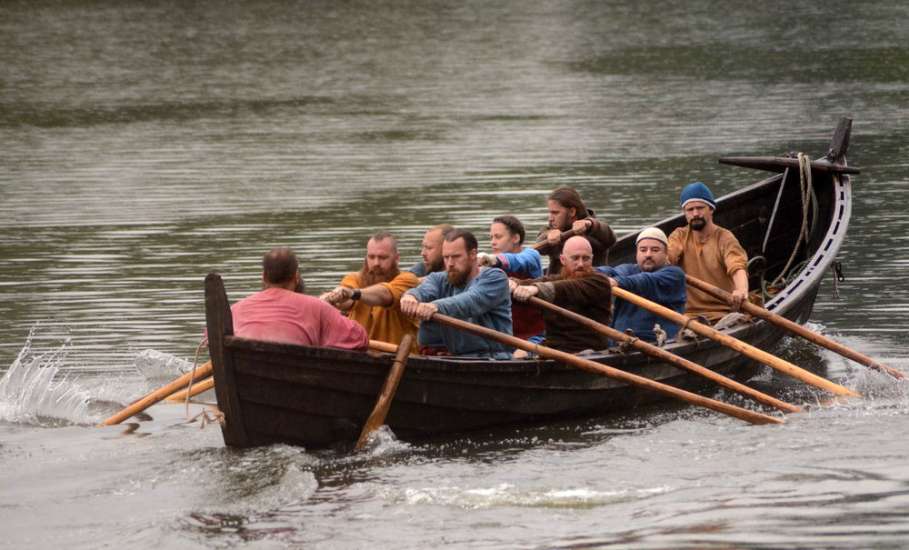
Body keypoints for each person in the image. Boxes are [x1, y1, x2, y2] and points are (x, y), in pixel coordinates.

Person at [400, 229, 513, 357]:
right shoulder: (437, 279)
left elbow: (470, 301)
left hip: (492, 358)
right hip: (453, 357)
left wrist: (436, 306)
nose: (450, 264)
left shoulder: (495, 278)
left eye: (456, 257)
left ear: (472, 254)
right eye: (446, 257)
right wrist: (410, 296)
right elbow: (423, 291)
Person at [229, 247, 368, 350]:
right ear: (296, 277)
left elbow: (212, 339)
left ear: (263, 277)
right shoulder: (318, 307)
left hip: (248, 372)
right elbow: (360, 339)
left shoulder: (234, 310)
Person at [512, 236, 612, 353]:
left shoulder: (600, 282)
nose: (580, 264)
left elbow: (567, 288)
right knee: (520, 353)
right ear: (563, 260)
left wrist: (536, 289)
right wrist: (513, 283)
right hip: (554, 349)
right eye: (575, 258)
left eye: (586, 258)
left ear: (592, 259)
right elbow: (535, 282)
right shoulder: (557, 279)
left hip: (589, 351)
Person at [321, 231, 419, 349]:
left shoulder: (408, 280)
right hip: (360, 354)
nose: (376, 263)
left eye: (383, 257)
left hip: (397, 357)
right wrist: (333, 299)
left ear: (397, 258)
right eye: (371, 257)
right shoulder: (354, 279)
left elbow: (385, 295)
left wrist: (353, 293)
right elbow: (347, 302)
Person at [667, 182, 749, 323]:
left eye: (700, 208)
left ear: (711, 209)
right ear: (684, 213)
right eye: (690, 209)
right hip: (688, 316)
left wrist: (741, 291)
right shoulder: (679, 236)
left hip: (723, 313)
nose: (695, 214)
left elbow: (737, 267)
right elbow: (667, 259)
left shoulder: (724, 237)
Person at [597, 227, 686, 343]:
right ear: (637, 253)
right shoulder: (628, 269)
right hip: (622, 341)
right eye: (643, 250)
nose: (648, 254)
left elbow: (645, 281)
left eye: (655, 250)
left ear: (666, 254)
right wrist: (592, 274)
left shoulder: (674, 275)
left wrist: (617, 282)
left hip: (657, 342)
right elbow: (609, 271)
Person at [476, 215, 545, 342]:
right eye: (491, 237)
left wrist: (493, 259)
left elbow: (517, 261)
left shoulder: (531, 255)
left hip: (535, 337)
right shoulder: (489, 269)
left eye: (498, 237)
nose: (492, 242)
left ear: (516, 238)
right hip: (505, 337)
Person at [535, 187, 617, 276]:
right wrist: (548, 235)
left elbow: (610, 238)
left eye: (555, 213)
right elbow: (540, 248)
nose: (550, 218)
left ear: (572, 211)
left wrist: (589, 224)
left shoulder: (594, 230)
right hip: (559, 285)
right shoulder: (551, 229)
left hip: (590, 284)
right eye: (550, 213)